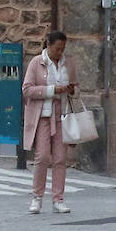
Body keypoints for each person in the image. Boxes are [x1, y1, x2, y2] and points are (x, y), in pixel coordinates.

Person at [22, 29, 78, 214]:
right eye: (57, 49)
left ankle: (58, 199)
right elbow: (27, 90)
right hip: (43, 115)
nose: (60, 52)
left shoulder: (67, 64)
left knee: (60, 158)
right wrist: (53, 90)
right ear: (48, 45)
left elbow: (75, 88)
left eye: (62, 49)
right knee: (43, 156)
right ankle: (37, 197)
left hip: (62, 114)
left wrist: (70, 89)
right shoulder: (36, 63)